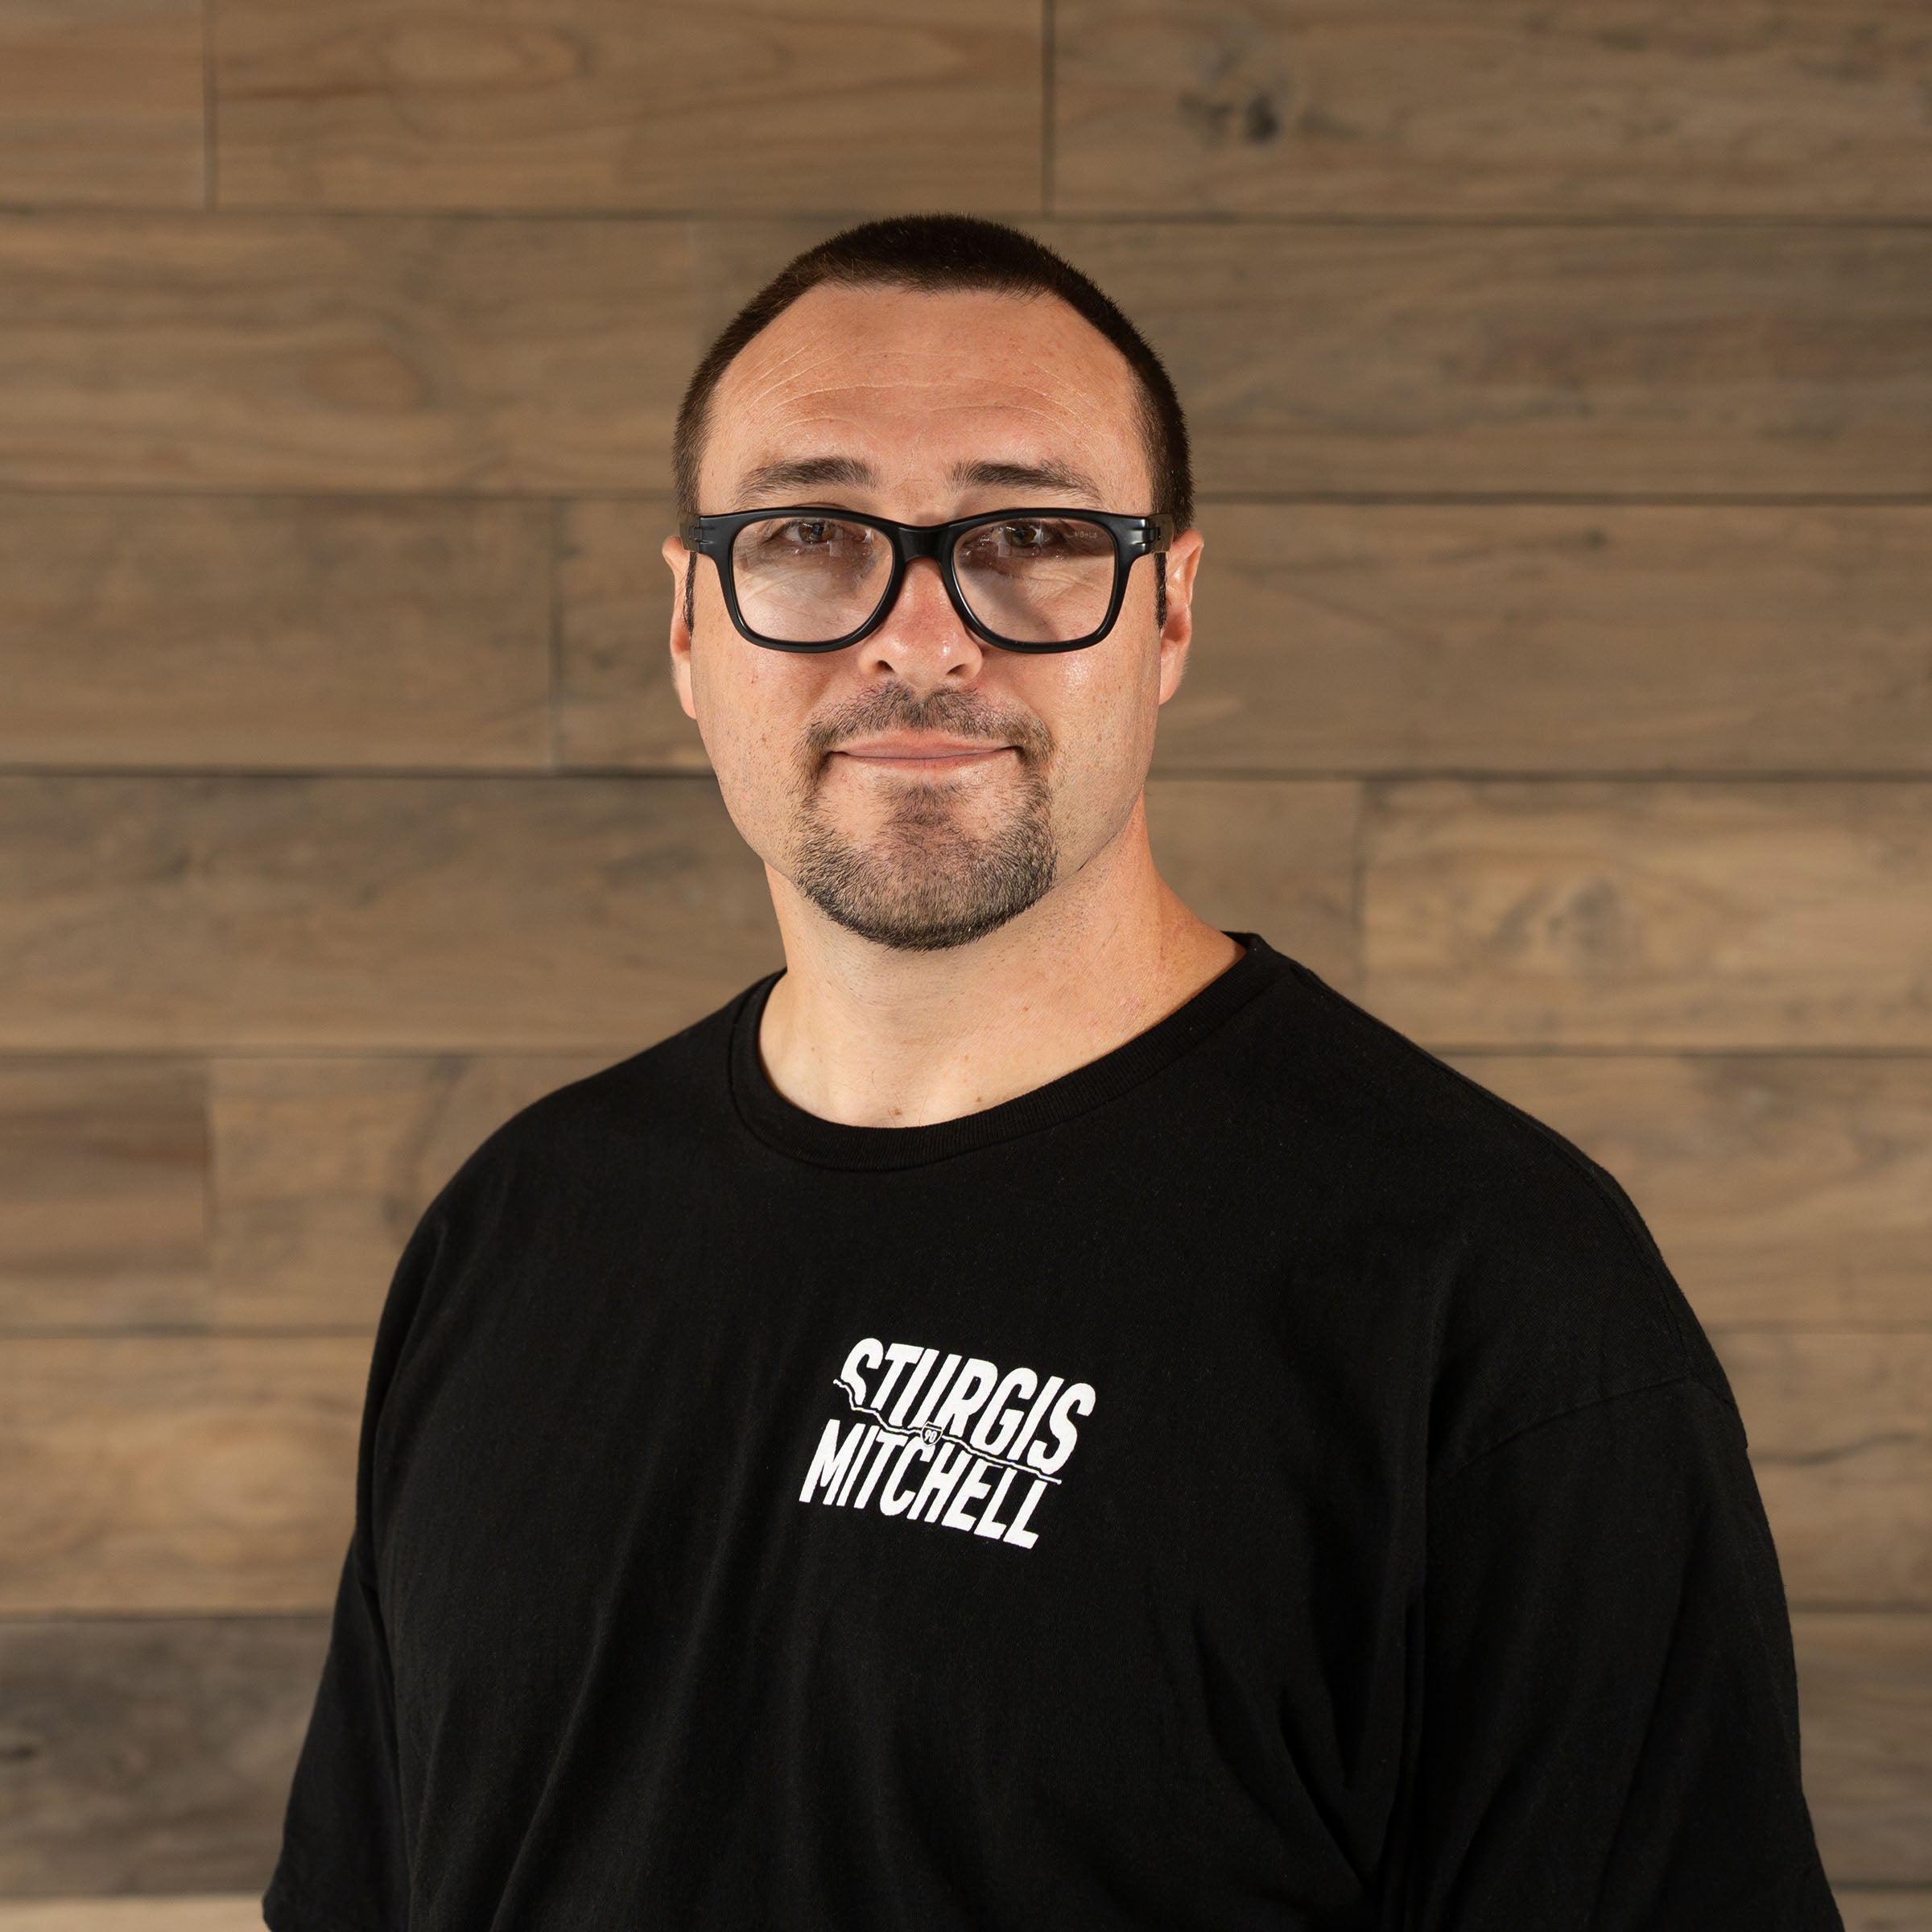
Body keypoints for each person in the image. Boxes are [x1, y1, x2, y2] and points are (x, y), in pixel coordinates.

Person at [264, 214, 1842, 1930]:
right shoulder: (521, 1231)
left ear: (1166, 610)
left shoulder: (1491, 1297)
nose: (922, 637)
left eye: (1030, 535)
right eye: (807, 531)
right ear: (688, 625)